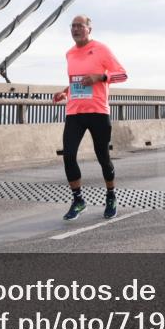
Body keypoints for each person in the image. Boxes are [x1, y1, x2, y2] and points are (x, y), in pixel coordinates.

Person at [52, 15, 128, 221]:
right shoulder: (69, 54)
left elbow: (122, 75)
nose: (75, 29)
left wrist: (100, 77)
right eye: (73, 26)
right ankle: (78, 200)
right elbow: (78, 81)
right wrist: (65, 92)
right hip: (74, 112)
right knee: (68, 155)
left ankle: (111, 195)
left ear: (89, 29)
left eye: (80, 26)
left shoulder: (101, 49)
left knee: (103, 157)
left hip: (98, 112)